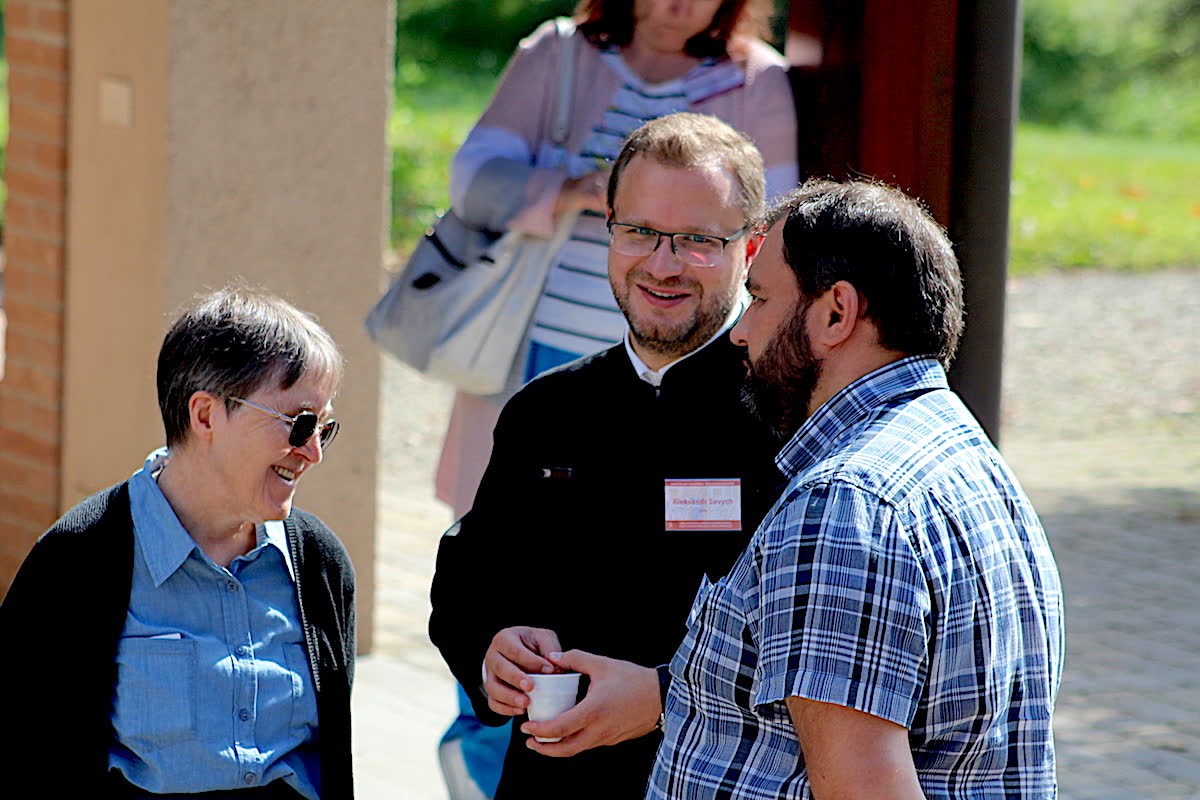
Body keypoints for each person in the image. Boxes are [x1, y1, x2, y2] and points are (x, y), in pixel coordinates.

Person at [431, 3, 797, 796]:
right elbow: (467, 572)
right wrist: (488, 646)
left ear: (753, 247)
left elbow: (822, 641)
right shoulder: (545, 409)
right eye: (639, 233)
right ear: (607, 229)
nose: (662, 265)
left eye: (699, 241)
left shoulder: (793, 416)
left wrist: (668, 698)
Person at [645, 179, 1066, 799]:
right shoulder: (966, 456)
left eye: (758, 300)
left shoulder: (844, 504)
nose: (740, 333)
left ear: (836, 312)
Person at [0, 288, 357, 798]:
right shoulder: (78, 561)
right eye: (300, 424)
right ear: (206, 415)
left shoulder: (321, 564)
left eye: (325, 428)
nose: (314, 452)